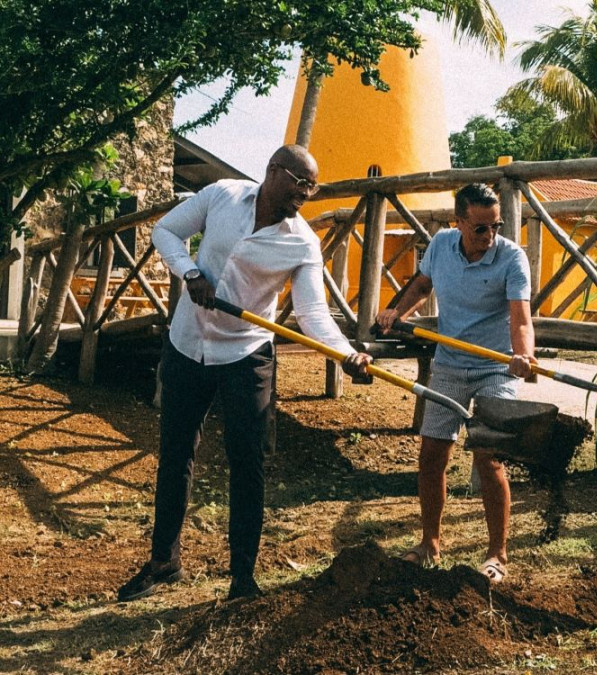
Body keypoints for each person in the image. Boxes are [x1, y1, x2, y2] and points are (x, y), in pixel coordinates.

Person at [117, 145, 372, 602]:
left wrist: (345, 353)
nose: (306, 195)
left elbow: (313, 311)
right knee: (176, 455)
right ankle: (163, 562)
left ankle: (242, 579)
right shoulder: (221, 195)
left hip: (244, 355)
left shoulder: (302, 242)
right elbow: (166, 231)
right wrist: (190, 273)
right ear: (274, 171)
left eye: (313, 188)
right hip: (186, 343)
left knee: (247, 463)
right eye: (301, 183)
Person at [375, 183, 536, 584]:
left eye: (495, 226)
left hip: (494, 369)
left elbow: (520, 318)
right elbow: (423, 284)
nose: (490, 236)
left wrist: (523, 355)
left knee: (489, 458)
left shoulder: (512, 258)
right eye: (480, 228)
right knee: (432, 455)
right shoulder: (442, 245)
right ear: (459, 222)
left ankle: (497, 554)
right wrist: (396, 311)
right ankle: (430, 543)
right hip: (448, 366)